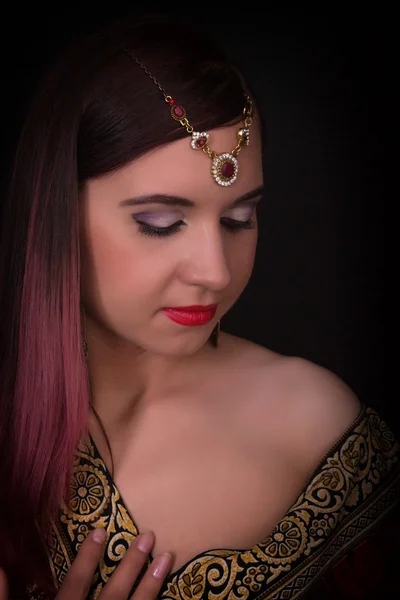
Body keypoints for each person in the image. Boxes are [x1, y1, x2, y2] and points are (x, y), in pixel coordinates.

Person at [0, 13, 398, 600]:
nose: (215, 272)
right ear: (56, 211)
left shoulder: (315, 430)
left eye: (240, 218)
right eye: (160, 223)